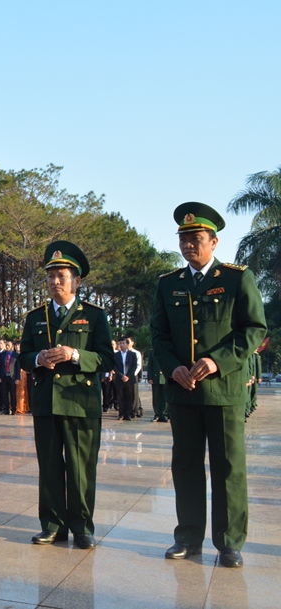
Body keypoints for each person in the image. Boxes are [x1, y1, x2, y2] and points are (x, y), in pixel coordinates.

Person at [150, 202, 267, 568]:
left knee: (229, 467)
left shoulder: (236, 278)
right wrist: (172, 369)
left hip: (224, 391)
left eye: (195, 238)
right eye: (183, 239)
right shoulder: (169, 284)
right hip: (183, 392)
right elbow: (159, 335)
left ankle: (229, 542)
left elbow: (254, 329)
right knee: (185, 466)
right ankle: (187, 537)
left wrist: (217, 360)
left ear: (213, 242)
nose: (188, 245)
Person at [20, 241, 114, 550]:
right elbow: (23, 357)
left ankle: (82, 526)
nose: (55, 281)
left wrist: (75, 354)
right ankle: (52, 526)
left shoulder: (95, 316)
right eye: (50, 276)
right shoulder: (35, 316)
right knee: (49, 467)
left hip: (80, 402)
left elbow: (106, 359)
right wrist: (38, 359)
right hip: (46, 401)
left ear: (77, 280)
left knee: (80, 468)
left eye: (61, 275)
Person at [112, 337, 138, 421]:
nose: (122, 345)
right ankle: (121, 414)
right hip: (119, 379)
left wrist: (128, 376)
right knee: (120, 397)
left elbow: (134, 366)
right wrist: (121, 376)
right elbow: (114, 367)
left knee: (129, 397)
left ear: (127, 344)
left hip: (129, 379)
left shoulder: (132, 354)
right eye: (120, 343)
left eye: (124, 343)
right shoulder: (116, 355)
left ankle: (128, 414)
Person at [0, 337, 17, 414]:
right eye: (6, 345)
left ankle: (14, 409)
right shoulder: (2, 355)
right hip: (4, 376)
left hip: (12, 377)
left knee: (12, 394)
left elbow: (17, 367)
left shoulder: (15, 355)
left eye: (9, 345)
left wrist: (17, 378)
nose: (7, 346)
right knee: (4, 393)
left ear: (12, 346)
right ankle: (6, 409)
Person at [147, 349, 168, 423]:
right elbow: (150, 365)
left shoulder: (168, 350)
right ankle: (157, 414)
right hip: (156, 377)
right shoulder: (152, 351)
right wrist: (150, 377)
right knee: (156, 396)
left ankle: (164, 414)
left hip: (165, 377)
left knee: (165, 396)